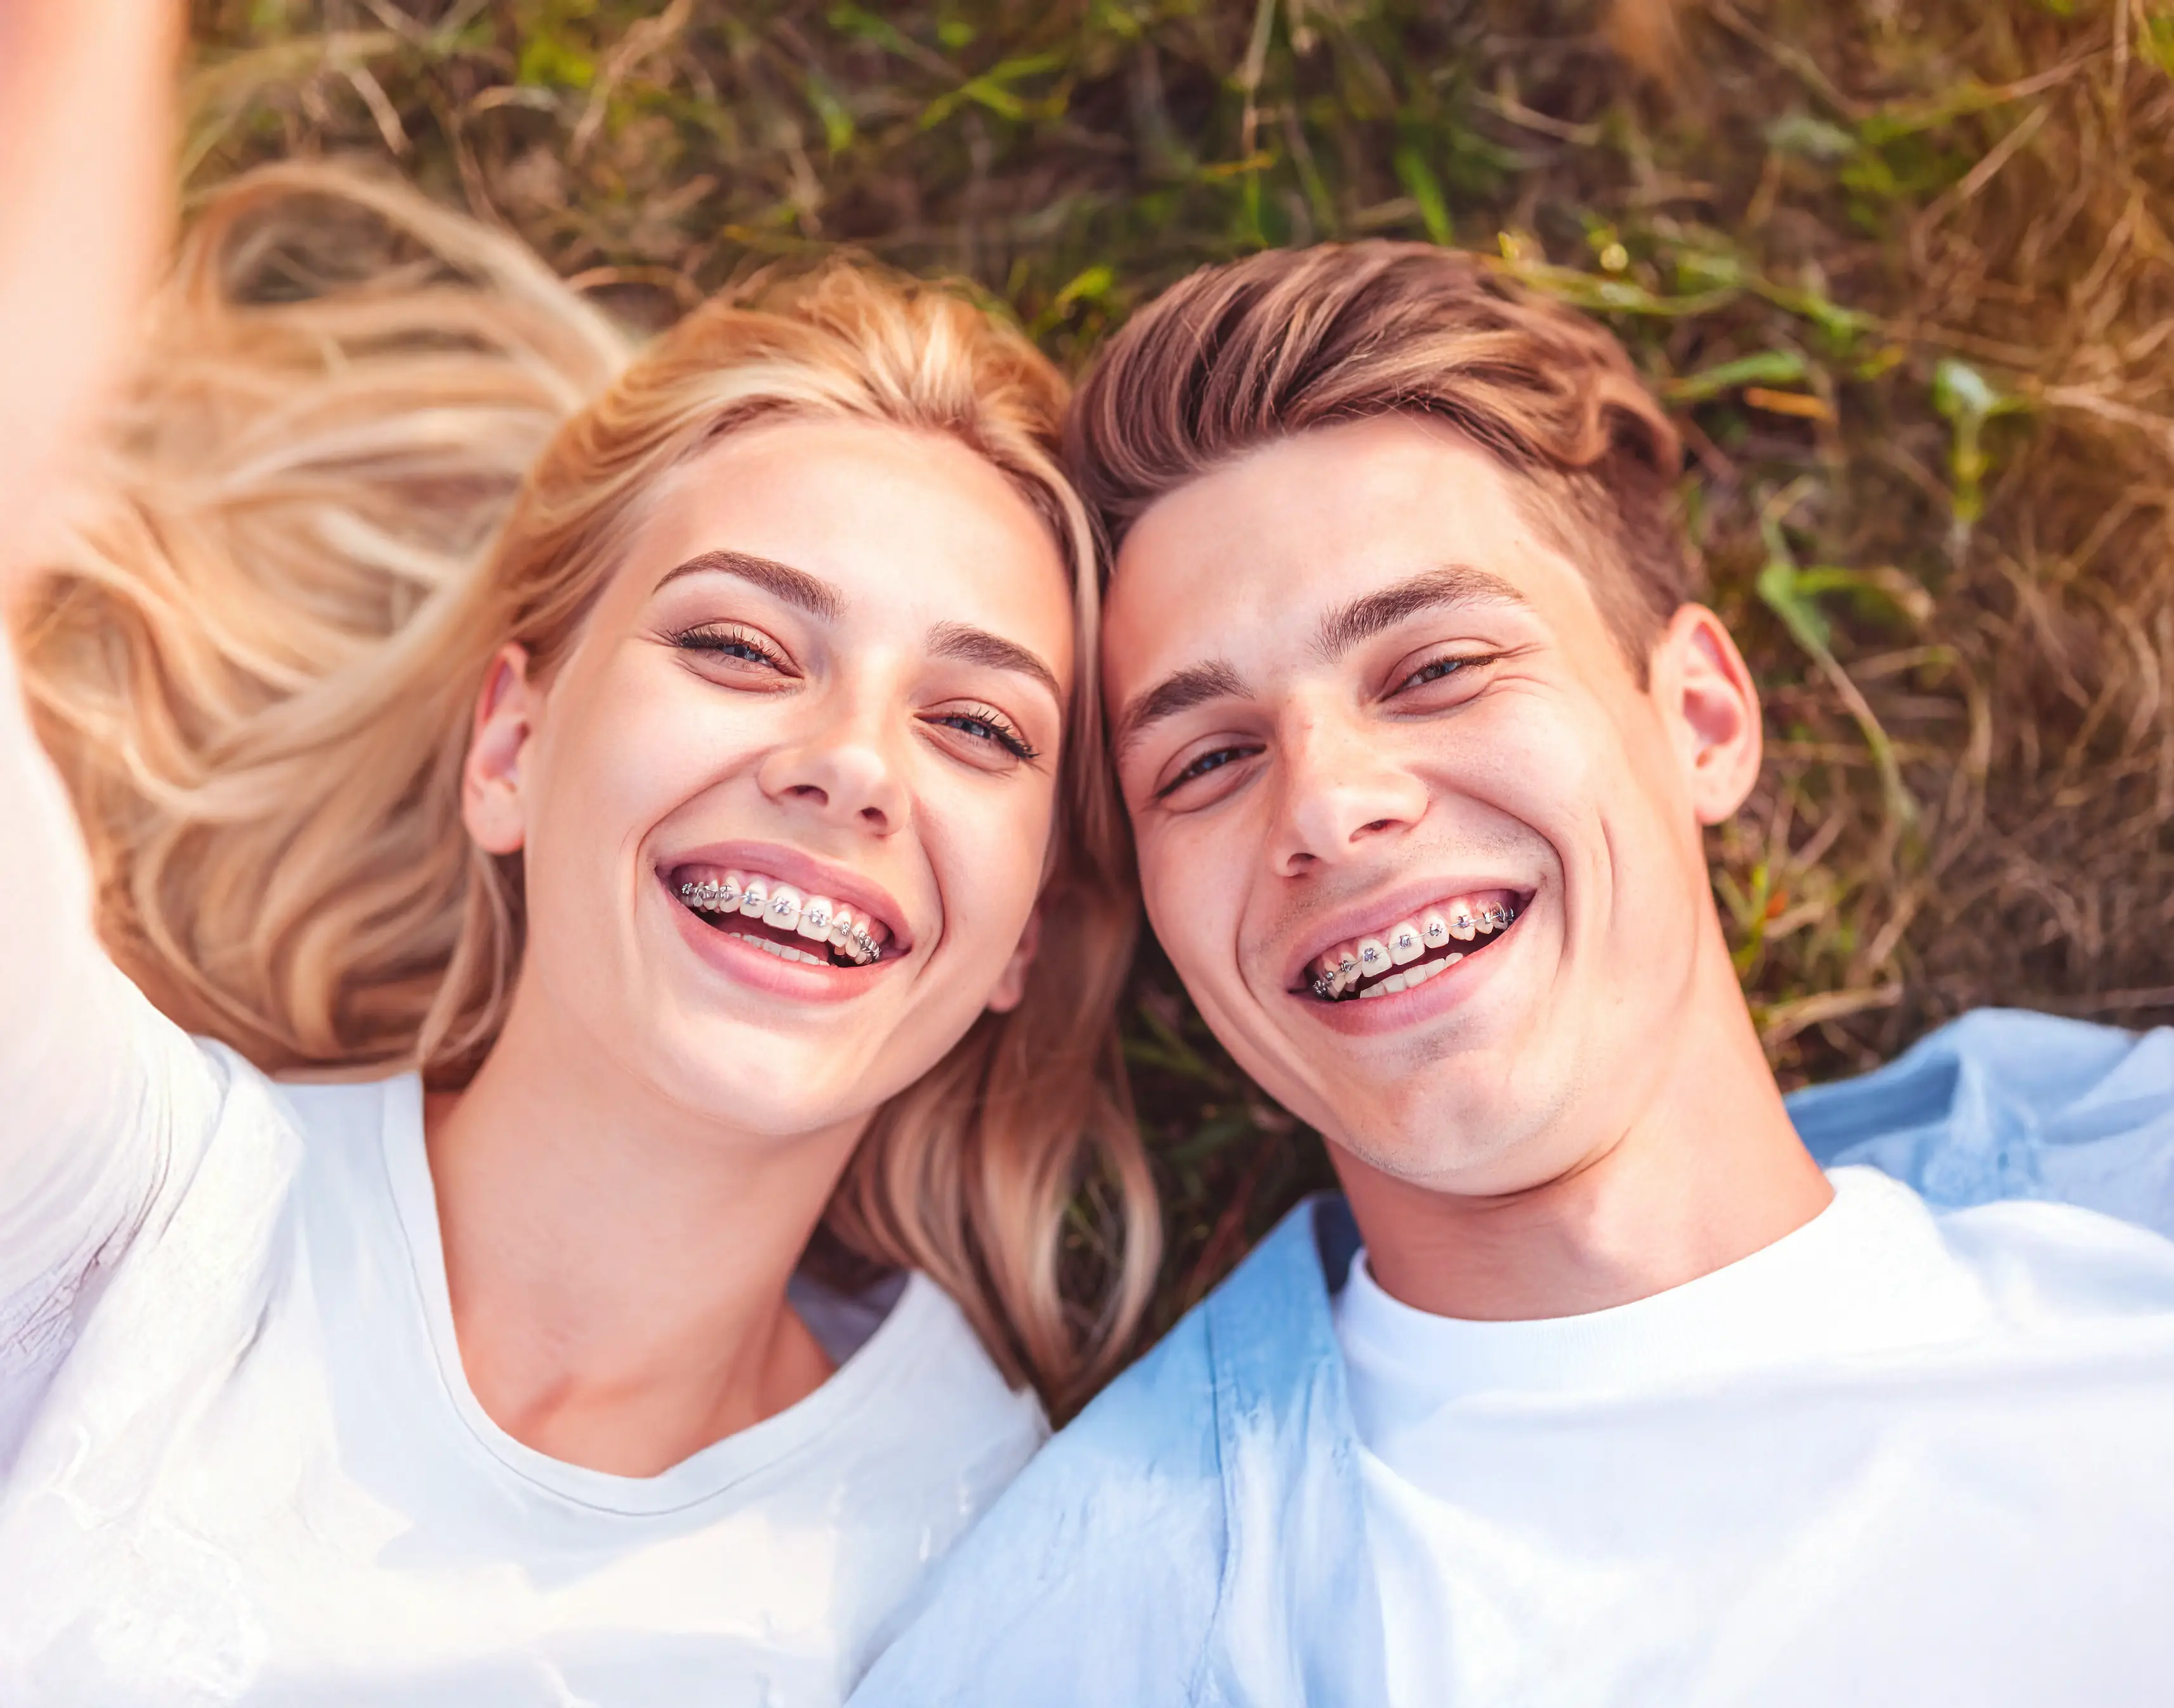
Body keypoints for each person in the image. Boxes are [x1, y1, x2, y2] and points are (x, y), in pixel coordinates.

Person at [0, 17, 1156, 1704]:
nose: (849, 761)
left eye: (979, 728)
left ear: (1020, 943)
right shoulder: (131, 1211)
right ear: (512, 751)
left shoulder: (991, 1551)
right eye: (745, 646)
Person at [850, 244, 2174, 1705]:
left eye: (1435, 668)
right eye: (1209, 758)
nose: (1326, 806)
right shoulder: (1082, 1648)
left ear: (1703, 719)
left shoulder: (2126, 1235)